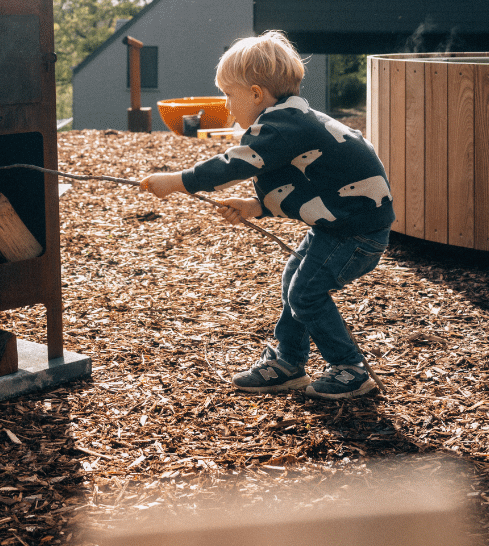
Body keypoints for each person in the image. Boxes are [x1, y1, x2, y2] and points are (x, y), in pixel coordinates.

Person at [140, 31, 393, 399]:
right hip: (341, 224)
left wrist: (179, 182)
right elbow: (311, 182)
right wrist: (257, 207)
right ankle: (289, 362)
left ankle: (349, 368)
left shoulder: (281, 126)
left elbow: (236, 165)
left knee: (305, 293)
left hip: (355, 232)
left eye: (229, 95)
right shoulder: (292, 121)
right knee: (296, 282)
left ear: (256, 94)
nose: (227, 106)